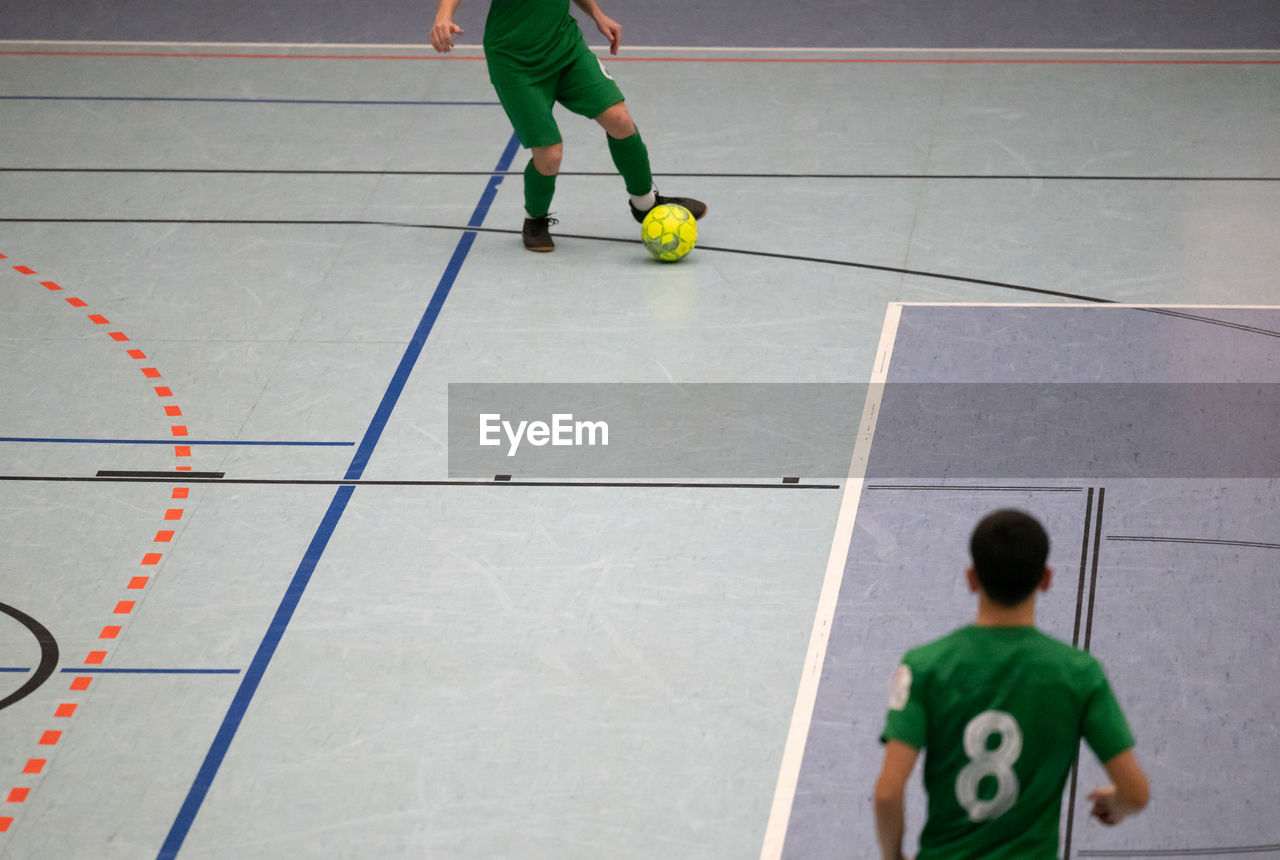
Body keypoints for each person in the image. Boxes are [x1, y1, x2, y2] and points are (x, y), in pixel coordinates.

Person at [874, 509, 1149, 860]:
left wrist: (893, 856)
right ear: (1046, 579)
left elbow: (887, 793)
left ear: (972, 578)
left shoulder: (923, 666)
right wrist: (1117, 804)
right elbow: (1136, 794)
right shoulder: (1079, 674)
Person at [429, 0, 707, 252]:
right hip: (514, 61)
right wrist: (443, 15)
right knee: (550, 155)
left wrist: (597, 14)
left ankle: (645, 204)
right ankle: (535, 219)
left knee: (620, 120)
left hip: (564, 47)